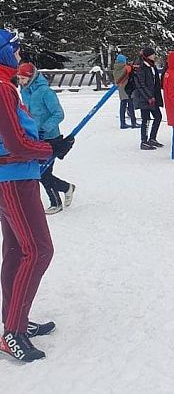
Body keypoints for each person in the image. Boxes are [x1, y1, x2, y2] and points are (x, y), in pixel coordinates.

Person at [0, 28, 74, 362]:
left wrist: (49, 149)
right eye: (13, 50)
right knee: (39, 250)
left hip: (15, 176)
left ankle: (14, 319)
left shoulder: (7, 86)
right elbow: (15, 144)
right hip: (14, 180)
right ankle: (12, 332)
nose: (18, 56)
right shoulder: (3, 88)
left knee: (17, 249)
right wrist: (50, 147)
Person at [16, 62, 76, 213]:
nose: (21, 82)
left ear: (31, 77)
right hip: (34, 137)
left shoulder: (45, 92)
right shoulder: (25, 91)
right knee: (40, 171)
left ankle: (57, 200)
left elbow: (59, 114)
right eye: (19, 78)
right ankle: (66, 189)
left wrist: (44, 128)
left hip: (50, 138)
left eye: (23, 78)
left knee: (43, 171)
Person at [132, 47, 164, 150]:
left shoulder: (151, 65)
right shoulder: (141, 66)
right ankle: (144, 141)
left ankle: (152, 138)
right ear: (148, 55)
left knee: (158, 117)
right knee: (145, 119)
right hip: (144, 97)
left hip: (153, 96)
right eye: (152, 54)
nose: (154, 56)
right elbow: (140, 84)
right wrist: (149, 96)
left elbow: (154, 81)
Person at [113, 54, 139, 129]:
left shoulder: (115, 69)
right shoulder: (126, 68)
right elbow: (133, 70)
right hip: (128, 89)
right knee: (131, 106)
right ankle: (133, 122)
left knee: (122, 106)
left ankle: (122, 123)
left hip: (121, 90)